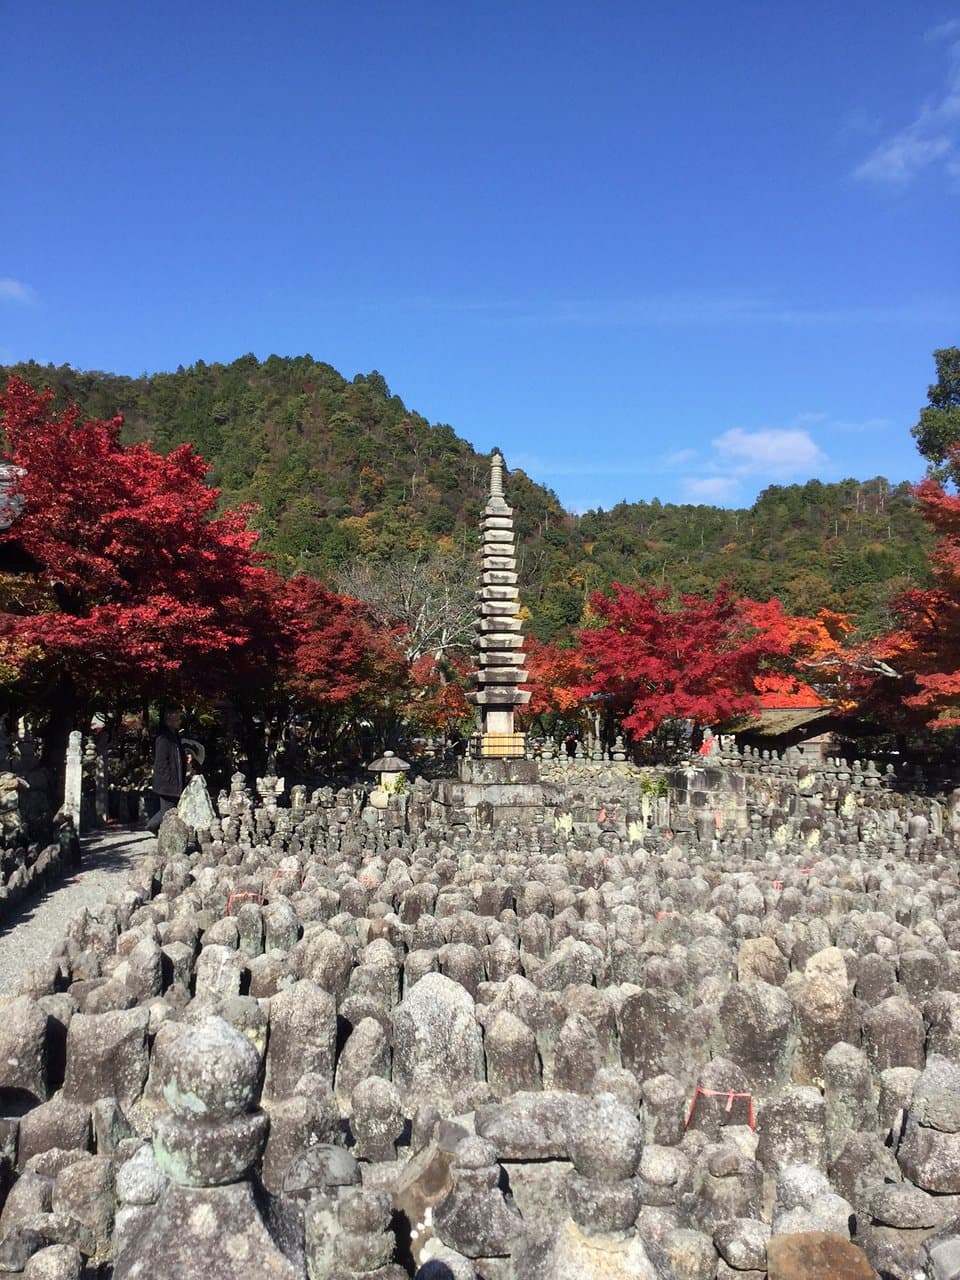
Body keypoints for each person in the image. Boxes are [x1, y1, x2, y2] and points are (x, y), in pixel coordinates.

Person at [145, 706, 187, 833]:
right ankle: (152, 826)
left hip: (175, 780)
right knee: (167, 809)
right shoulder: (163, 738)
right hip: (167, 782)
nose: (179, 722)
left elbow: (177, 758)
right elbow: (161, 763)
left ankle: (161, 830)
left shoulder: (175, 736)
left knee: (170, 808)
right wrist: (169, 781)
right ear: (169, 721)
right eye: (177, 719)